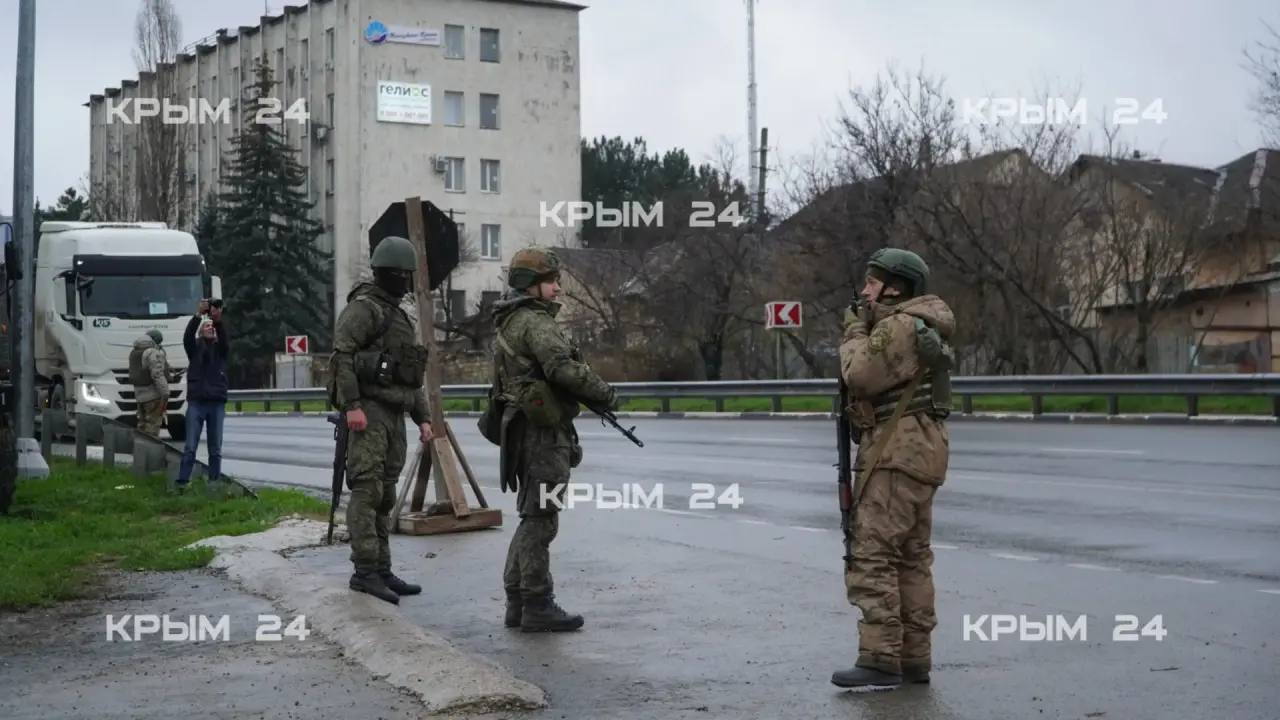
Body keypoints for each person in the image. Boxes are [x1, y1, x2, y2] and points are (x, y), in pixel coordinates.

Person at [832, 248, 955, 690]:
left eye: (873, 281)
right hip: (921, 449)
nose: (866, 290)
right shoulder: (923, 323)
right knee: (911, 556)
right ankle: (913, 657)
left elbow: (860, 376)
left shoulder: (898, 326)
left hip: (894, 450)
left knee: (873, 551)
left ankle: (880, 656)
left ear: (895, 288)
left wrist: (853, 332)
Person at [492, 247, 618, 632]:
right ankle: (537, 603)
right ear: (531, 284)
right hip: (542, 433)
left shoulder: (510, 320)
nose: (558, 288)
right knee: (543, 518)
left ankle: (518, 601)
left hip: (524, 427)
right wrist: (605, 394)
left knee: (532, 515)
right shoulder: (536, 322)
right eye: (551, 281)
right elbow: (562, 368)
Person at [331, 235, 433, 605]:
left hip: (394, 412)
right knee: (368, 490)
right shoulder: (364, 309)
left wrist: (423, 417)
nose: (404, 280)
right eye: (399, 274)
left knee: (386, 493)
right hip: (370, 411)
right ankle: (365, 572)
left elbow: (410, 374)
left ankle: (382, 568)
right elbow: (342, 357)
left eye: (407, 274)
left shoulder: (398, 314)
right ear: (384, 273)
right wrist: (352, 405)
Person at [177, 298, 230, 491]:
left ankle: (214, 482)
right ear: (201, 331)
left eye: (212, 327)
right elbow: (187, 336)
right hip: (197, 402)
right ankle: (183, 482)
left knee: (215, 448)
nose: (210, 328)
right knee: (190, 446)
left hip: (216, 402)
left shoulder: (221, 350)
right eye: (207, 326)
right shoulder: (195, 349)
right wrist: (199, 315)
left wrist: (217, 319)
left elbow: (224, 338)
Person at [130, 329, 170, 436]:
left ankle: (139, 446)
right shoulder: (152, 352)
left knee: (142, 426)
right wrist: (165, 392)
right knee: (152, 427)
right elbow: (157, 374)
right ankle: (150, 446)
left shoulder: (135, 351)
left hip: (140, 395)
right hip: (153, 395)